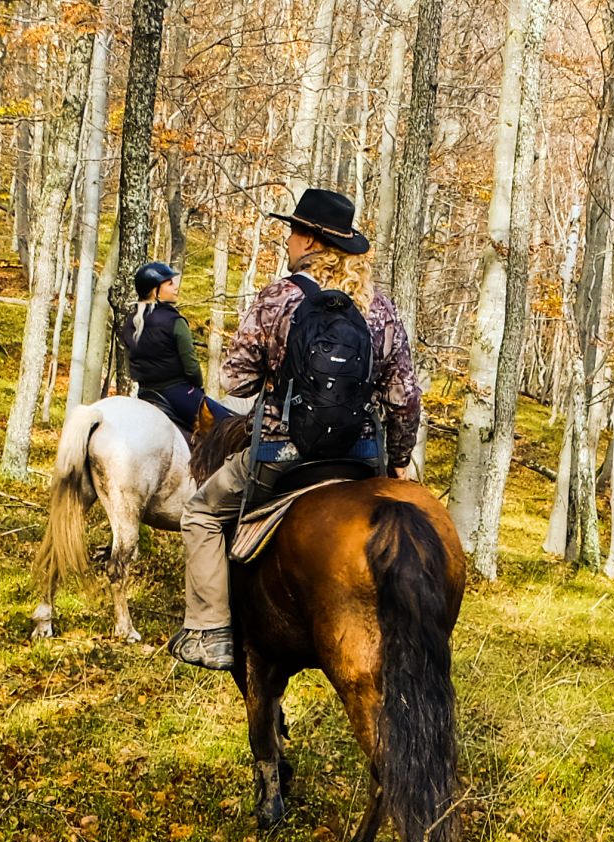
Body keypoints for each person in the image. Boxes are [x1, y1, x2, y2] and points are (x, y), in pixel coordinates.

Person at [167, 188, 422, 673]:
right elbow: (404, 397)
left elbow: (235, 378)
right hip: (361, 456)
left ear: (308, 240)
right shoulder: (379, 307)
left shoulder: (279, 297)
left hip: (282, 453)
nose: (287, 240)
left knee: (199, 513)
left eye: (292, 231)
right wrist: (398, 458)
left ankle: (209, 631)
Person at [118, 262, 210, 432]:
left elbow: (131, 364)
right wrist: (198, 387)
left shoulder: (130, 322)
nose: (176, 287)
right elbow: (191, 368)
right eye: (169, 283)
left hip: (146, 394)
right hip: (179, 393)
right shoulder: (174, 322)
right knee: (227, 427)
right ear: (155, 291)